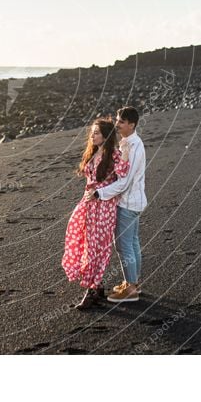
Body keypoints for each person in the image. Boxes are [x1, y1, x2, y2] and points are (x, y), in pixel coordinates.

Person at [62, 117, 130, 309]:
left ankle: (92, 290)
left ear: (106, 136)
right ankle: (97, 286)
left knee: (97, 248)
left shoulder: (115, 154)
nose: (92, 135)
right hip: (88, 204)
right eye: (92, 132)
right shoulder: (93, 153)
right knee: (82, 241)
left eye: (97, 132)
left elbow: (123, 176)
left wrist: (125, 154)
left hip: (104, 206)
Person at [86, 106, 147, 303]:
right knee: (133, 242)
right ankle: (134, 284)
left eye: (121, 122)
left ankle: (130, 289)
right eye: (118, 120)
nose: (117, 125)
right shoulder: (127, 144)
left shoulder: (134, 146)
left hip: (129, 202)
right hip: (133, 201)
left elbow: (125, 182)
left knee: (123, 246)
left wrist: (99, 193)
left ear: (132, 124)